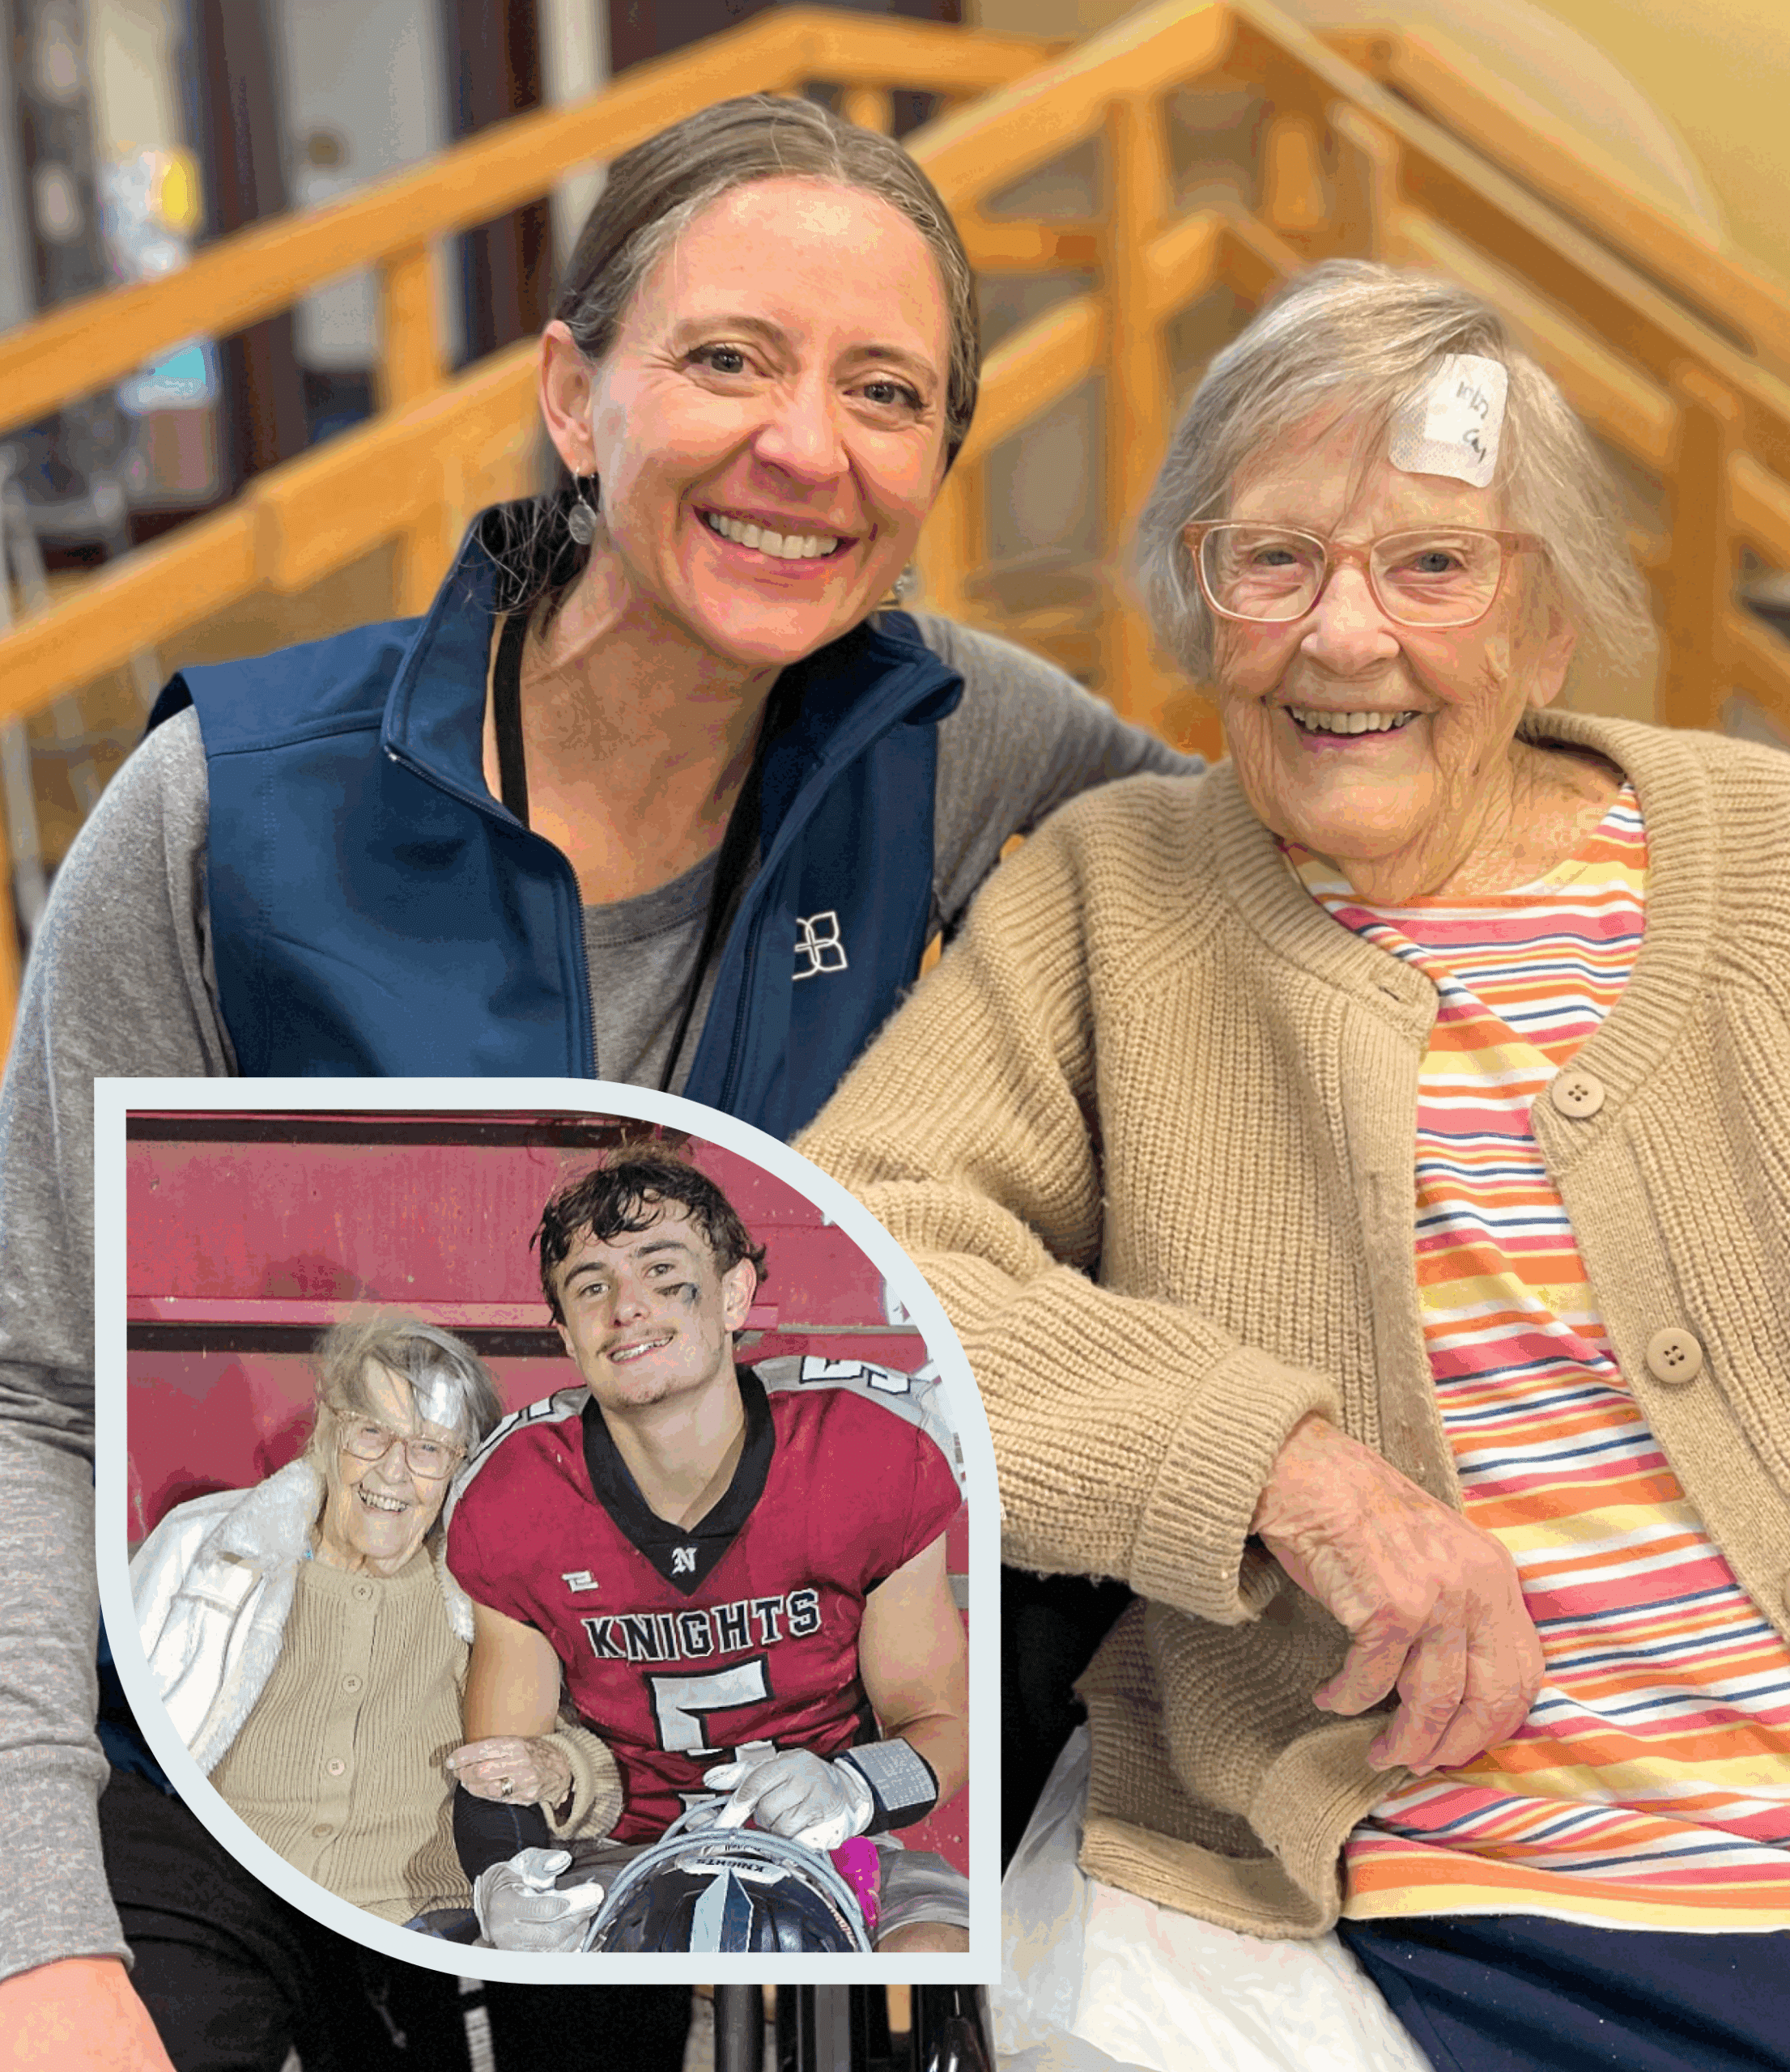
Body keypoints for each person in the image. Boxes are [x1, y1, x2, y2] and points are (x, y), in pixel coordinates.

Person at [0, 93, 1189, 2071]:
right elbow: (32, 1396)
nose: (804, 445)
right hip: (254, 1764)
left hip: (754, 1754)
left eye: (884, 393)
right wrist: (36, 1933)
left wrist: (1646, 808)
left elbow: (1316, 864)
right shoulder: (226, 809)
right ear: (573, 392)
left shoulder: (974, 749)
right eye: (726, 357)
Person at [798, 260, 1790, 2072]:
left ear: (1543, 624)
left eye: (1433, 565)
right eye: (1273, 561)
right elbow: (856, 1264)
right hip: (1377, 1879)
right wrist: (1284, 1469)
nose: (1342, 636)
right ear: (1197, 599)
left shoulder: (1789, 864)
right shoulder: (1111, 897)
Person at [441, 1149, 970, 1956]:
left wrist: (851, 1788)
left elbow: (943, 1723)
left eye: (662, 1271)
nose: (627, 1308)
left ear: (733, 1293)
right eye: (592, 1286)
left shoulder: (865, 1451)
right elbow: (500, 1766)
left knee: (934, 1956)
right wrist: (507, 1876)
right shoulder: (517, 1494)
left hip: (839, 1845)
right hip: (619, 1855)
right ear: (566, 1335)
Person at [116, 1314, 511, 2071]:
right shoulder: (202, 1549)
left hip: (415, 1926)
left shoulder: (484, 1595)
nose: (395, 1472)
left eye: (428, 1448)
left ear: (461, 1468)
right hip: (223, 1904)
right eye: (372, 1433)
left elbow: (571, 1752)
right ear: (329, 1427)